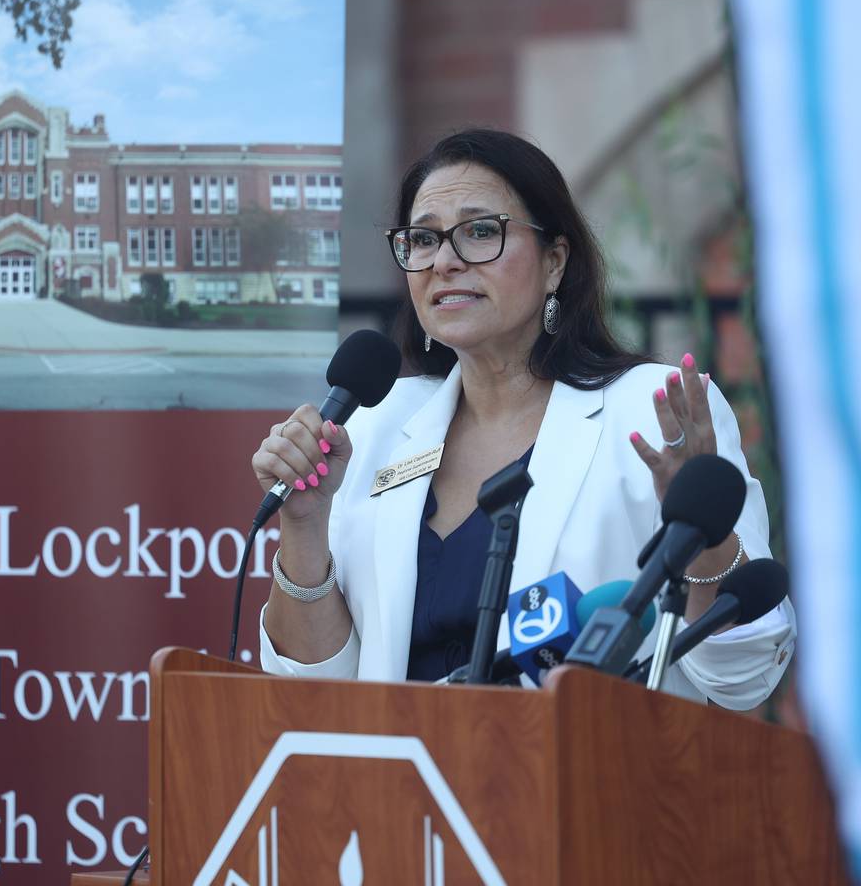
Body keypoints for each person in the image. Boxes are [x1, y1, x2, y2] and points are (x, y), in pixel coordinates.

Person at [252, 128, 794, 709]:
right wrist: (305, 525)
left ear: (555, 262)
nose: (445, 261)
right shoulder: (374, 428)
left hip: (584, 788)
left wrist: (703, 541)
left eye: (481, 231)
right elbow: (309, 695)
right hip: (400, 787)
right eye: (423, 239)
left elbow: (745, 677)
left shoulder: (653, 412)